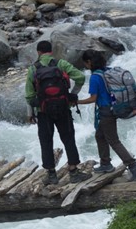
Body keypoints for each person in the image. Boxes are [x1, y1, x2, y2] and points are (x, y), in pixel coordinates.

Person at [25, 40, 91, 185]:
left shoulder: (33, 69)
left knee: (46, 142)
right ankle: (74, 172)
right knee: (68, 139)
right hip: (63, 108)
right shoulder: (61, 64)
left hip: (43, 111)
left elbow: (29, 96)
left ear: (38, 52)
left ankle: (51, 175)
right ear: (51, 51)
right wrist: (71, 96)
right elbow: (80, 77)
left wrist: (30, 114)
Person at [77, 49, 136, 182]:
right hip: (113, 108)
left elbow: (93, 98)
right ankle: (105, 164)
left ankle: (133, 166)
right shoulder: (107, 71)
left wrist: (77, 101)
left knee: (113, 140)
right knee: (100, 135)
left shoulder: (95, 77)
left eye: (85, 63)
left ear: (89, 62)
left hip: (106, 111)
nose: (85, 66)